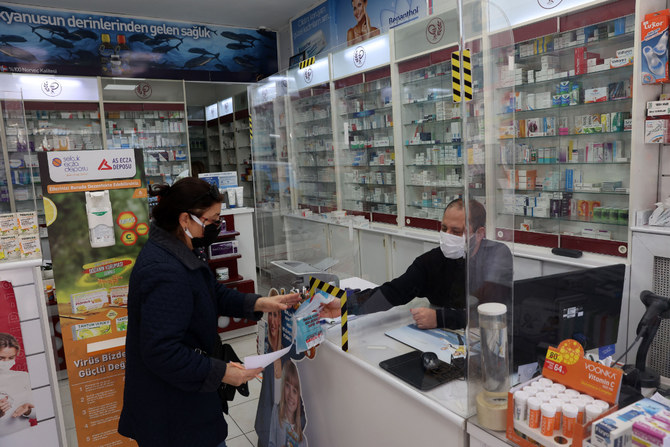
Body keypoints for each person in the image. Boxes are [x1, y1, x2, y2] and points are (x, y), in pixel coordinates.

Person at [118, 178, 300, 447]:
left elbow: (212, 293)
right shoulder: (164, 270)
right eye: (212, 220)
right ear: (185, 220)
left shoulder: (181, 249)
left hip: (188, 396)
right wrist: (223, 372)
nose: (217, 226)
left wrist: (261, 303)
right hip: (172, 413)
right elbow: (161, 351)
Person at [321, 198, 513, 330]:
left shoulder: (497, 255)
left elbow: (493, 313)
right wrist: (346, 305)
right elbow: (394, 292)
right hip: (441, 340)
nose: (447, 236)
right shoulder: (431, 261)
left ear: (479, 234)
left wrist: (439, 319)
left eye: (456, 231)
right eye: (444, 228)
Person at [0, 333, 35, 437]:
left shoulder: (24, 376)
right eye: (0, 358)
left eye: (11, 358)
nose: (6, 362)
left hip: (26, 434)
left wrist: (28, 411)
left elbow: (38, 413)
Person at [269, 360, 307, 447]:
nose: (290, 394)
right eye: (287, 386)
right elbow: (270, 442)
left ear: (299, 398)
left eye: (294, 391)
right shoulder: (275, 413)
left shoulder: (302, 440)